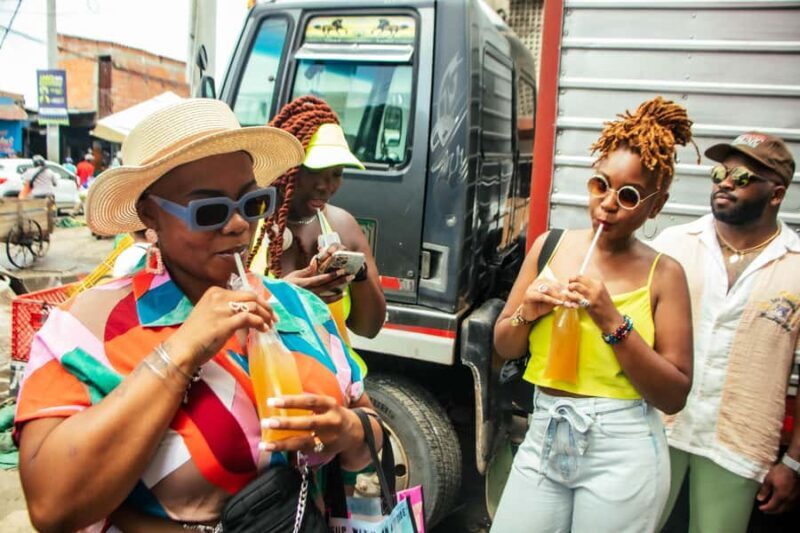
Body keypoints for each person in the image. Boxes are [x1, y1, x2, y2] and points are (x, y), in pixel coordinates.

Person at [14, 98, 384, 531]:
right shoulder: (88, 328)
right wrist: (181, 353)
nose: (238, 226)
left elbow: (369, 421)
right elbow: (51, 504)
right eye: (209, 211)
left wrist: (348, 430)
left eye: (251, 204)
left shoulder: (301, 309)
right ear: (150, 213)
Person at [490, 97, 695, 532]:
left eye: (628, 195)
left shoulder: (665, 275)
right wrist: (527, 311)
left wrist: (612, 322)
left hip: (622, 450)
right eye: (601, 185)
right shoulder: (550, 245)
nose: (608, 204)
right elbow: (503, 346)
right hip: (545, 430)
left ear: (654, 206)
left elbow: (674, 394)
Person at [654, 132, 800, 532]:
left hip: (738, 446)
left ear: (776, 195)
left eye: (742, 177)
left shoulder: (796, 265)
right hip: (658, 431)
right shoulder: (674, 244)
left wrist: (793, 462)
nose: (724, 182)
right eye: (720, 172)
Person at [249, 96, 386, 372]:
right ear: (287, 167)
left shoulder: (342, 226)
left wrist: (356, 276)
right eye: (314, 171)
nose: (326, 186)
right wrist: (283, 295)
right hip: (267, 385)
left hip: (333, 390)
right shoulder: (249, 225)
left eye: (336, 173)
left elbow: (369, 328)